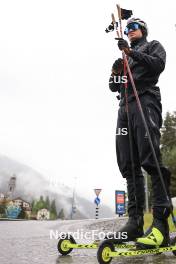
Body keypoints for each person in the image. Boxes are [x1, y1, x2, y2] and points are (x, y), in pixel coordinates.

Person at [109, 18, 171, 248]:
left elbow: (157, 66)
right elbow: (114, 86)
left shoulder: (153, 45)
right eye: (127, 29)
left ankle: (160, 225)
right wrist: (116, 71)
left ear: (142, 30)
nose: (129, 31)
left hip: (145, 101)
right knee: (128, 162)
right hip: (124, 108)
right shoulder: (125, 56)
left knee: (149, 157)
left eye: (133, 28)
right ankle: (134, 223)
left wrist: (131, 53)